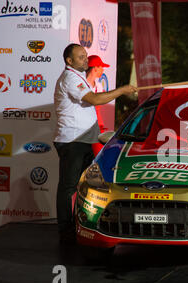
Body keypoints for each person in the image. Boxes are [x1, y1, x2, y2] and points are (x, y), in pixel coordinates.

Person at [54, 43, 137, 243]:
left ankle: (81, 225)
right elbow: (95, 100)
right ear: (69, 61)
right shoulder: (71, 77)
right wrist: (121, 90)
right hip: (73, 140)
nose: (86, 59)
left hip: (82, 140)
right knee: (69, 187)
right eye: (81, 57)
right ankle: (66, 231)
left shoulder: (79, 76)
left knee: (85, 186)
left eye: (86, 55)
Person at [86, 55, 110, 155]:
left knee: (98, 156)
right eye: (101, 67)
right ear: (95, 68)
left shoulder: (98, 85)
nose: (103, 70)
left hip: (97, 128)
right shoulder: (81, 84)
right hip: (83, 129)